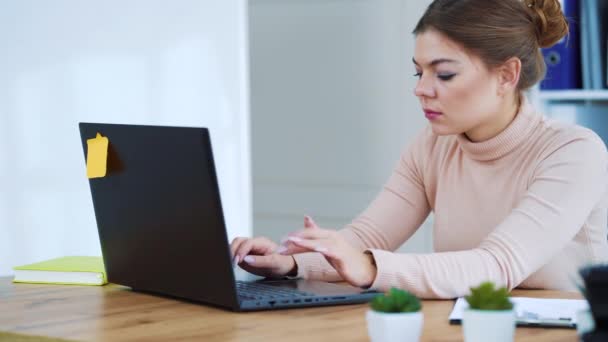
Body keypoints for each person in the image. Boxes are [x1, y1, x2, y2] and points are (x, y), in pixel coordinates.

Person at [230, 0, 608, 299]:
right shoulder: (432, 147)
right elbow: (366, 240)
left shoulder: (575, 153)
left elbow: (497, 266)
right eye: (419, 72)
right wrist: (289, 263)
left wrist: (367, 267)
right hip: (469, 326)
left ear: (506, 75)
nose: (422, 89)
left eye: (443, 74)